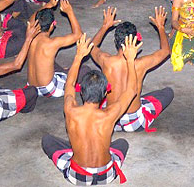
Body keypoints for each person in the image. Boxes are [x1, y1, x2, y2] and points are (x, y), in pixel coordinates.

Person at [42, 34, 140, 185]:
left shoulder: (70, 109)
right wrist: (131, 59)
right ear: (105, 94)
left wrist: (78, 56)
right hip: (106, 175)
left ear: (81, 92)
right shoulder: (110, 114)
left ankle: (77, 148)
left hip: (77, 176)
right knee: (122, 143)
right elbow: (132, 90)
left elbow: (69, 84)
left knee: (47, 140)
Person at [88, 7, 174, 132]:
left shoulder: (106, 61)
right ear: (136, 41)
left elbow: (91, 46)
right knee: (167, 92)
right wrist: (160, 27)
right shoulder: (141, 64)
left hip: (110, 121)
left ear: (116, 41)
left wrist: (105, 26)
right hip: (134, 123)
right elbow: (165, 51)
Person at [27, 0, 83, 97]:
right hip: (48, 89)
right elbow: (78, 35)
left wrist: (49, 4)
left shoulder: (30, 35)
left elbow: (32, 18)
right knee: (84, 70)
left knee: (51, 62)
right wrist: (69, 12)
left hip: (31, 86)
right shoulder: (52, 43)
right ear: (53, 24)